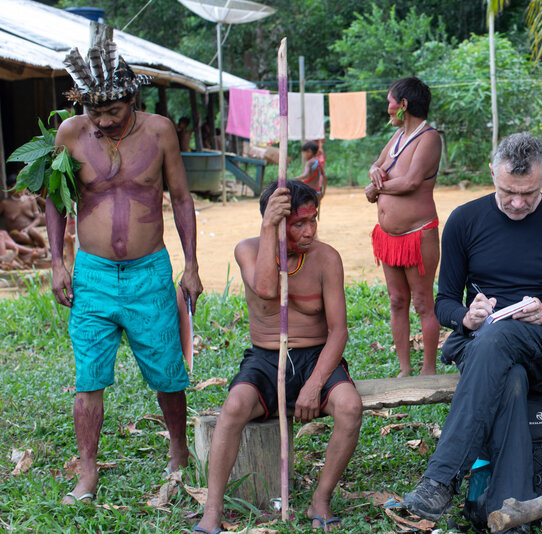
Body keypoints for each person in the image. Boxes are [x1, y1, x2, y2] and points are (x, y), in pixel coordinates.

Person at [400, 132, 542, 533]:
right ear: (492, 172)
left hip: (541, 342)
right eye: (509, 192)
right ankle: (511, 514)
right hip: (480, 342)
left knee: (498, 338)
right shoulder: (465, 220)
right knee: (508, 375)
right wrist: (466, 317)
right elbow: (444, 303)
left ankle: (441, 479)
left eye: (530, 193)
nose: (519, 203)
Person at [46, 40, 202, 504]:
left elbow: (182, 198)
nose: (104, 121)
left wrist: (192, 264)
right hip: (92, 275)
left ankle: (178, 451)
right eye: (95, 112)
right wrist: (57, 262)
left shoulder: (160, 132)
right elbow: (55, 200)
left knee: (168, 371)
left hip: (149, 272)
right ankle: (87, 471)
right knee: (88, 375)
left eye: (113, 110)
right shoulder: (70, 134)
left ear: (133, 98)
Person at [194, 180, 362, 534]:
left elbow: (338, 331)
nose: (309, 231)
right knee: (233, 408)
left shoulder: (326, 258)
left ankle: (321, 499)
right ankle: (212, 509)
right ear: (273, 221)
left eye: (313, 220)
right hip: (267, 358)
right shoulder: (247, 250)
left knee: (350, 407)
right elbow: (267, 288)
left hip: (316, 356)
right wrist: (269, 226)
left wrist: (314, 384)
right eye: (299, 224)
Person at [365, 77, 441, 377]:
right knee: (397, 301)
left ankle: (428, 370)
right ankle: (404, 370)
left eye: (390, 102)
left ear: (404, 104)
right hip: (389, 237)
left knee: (422, 303)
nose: (388, 108)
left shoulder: (429, 138)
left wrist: (376, 188)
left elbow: (410, 182)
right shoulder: (398, 136)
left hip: (417, 234)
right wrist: (373, 171)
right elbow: (377, 164)